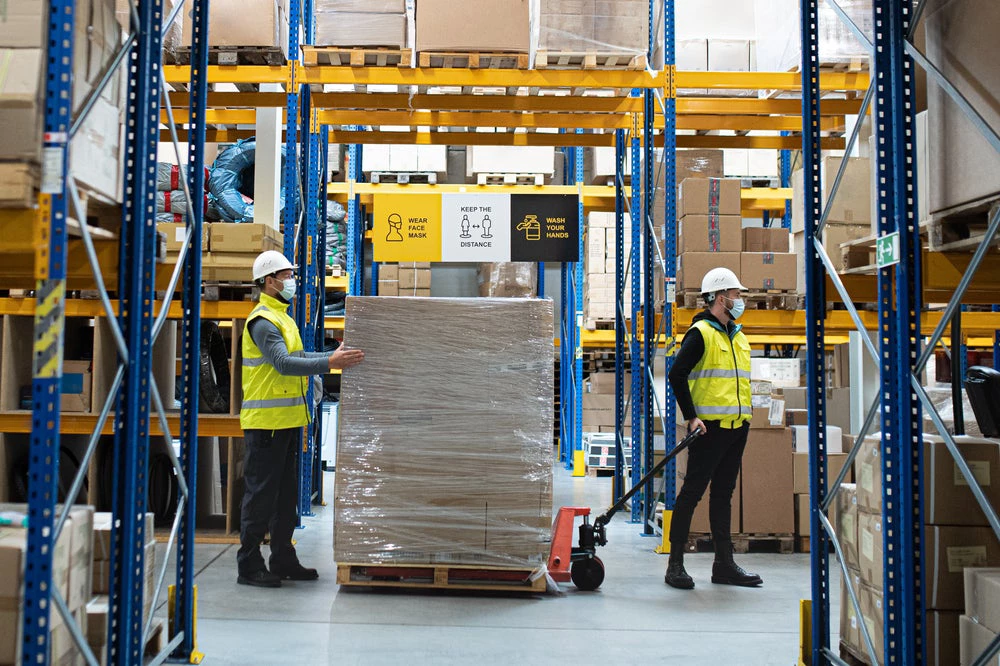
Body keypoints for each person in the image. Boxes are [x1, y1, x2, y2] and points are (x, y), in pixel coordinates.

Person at [237, 250, 365, 588]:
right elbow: (283, 363)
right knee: (260, 496)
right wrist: (330, 363)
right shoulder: (262, 320)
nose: (291, 280)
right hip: (265, 426)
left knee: (285, 497)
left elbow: (300, 356)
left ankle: (282, 557)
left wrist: (333, 356)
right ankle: (248, 564)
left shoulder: (283, 317)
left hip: (288, 422)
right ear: (269, 281)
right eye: (286, 275)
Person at [664, 267, 762, 590]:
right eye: (736, 295)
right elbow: (676, 374)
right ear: (721, 298)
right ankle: (675, 564)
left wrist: (745, 418)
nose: (740, 300)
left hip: (736, 429)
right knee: (692, 493)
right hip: (709, 430)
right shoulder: (700, 334)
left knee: (723, 495)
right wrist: (691, 417)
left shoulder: (738, 335)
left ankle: (723, 564)